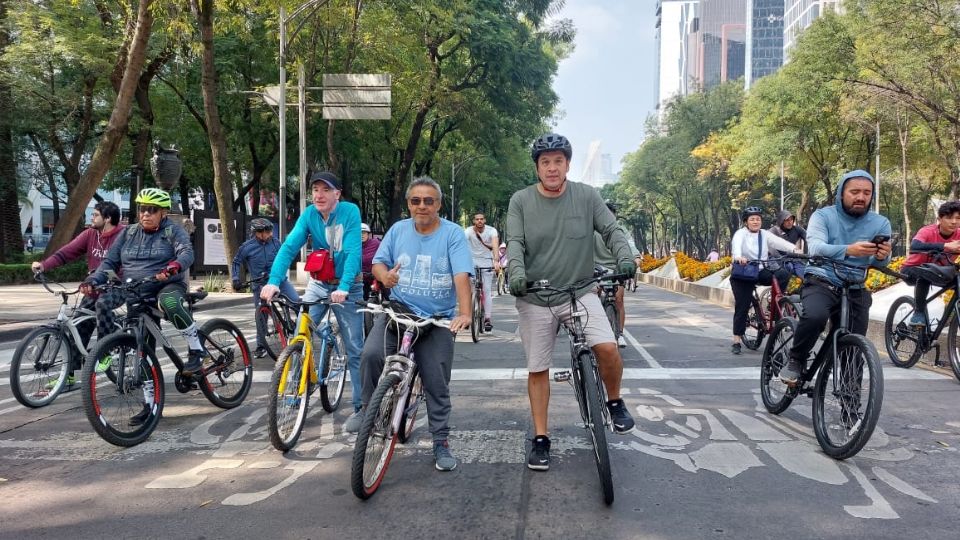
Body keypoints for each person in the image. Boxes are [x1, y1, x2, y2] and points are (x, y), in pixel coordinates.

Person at [507, 133, 637, 472]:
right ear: (537, 167)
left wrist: (624, 257)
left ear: (568, 164)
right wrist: (516, 274)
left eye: (558, 161)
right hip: (535, 296)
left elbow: (611, 231)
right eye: (545, 162)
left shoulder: (587, 196)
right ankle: (541, 438)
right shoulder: (520, 201)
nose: (552, 168)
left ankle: (614, 400)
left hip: (580, 292)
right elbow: (516, 243)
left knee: (608, 347)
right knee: (538, 368)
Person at [357, 176, 473, 471]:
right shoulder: (397, 230)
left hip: (436, 320)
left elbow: (461, 275)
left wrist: (465, 313)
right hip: (398, 312)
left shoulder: (452, 234)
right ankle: (369, 416)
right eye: (415, 201)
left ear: (439, 204)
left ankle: (440, 442)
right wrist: (385, 277)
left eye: (428, 200)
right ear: (409, 204)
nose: (422, 206)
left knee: (436, 380)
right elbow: (378, 264)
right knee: (370, 355)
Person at [260, 171, 365, 426]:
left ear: (337, 194)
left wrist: (344, 286)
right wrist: (274, 281)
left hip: (348, 287)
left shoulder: (350, 212)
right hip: (319, 284)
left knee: (355, 349)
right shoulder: (309, 214)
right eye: (315, 190)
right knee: (301, 333)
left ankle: (362, 407)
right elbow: (289, 247)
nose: (319, 195)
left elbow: (352, 251)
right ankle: (296, 392)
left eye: (325, 190)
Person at [781, 170, 892, 385]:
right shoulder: (823, 216)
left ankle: (851, 402)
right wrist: (848, 250)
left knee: (854, 348)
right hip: (822, 279)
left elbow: (880, 264)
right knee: (815, 317)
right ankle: (796, 359)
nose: (861, 197)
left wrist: (882, 256)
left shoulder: (881, 223)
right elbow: (815, 247)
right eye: (855, 192)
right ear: (842, 193)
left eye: (867, 193)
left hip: (855, 285)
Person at [83, 188, 202, 386]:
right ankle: (150, 405)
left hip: (166, 285)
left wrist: (174, 267)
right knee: (142, 348)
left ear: (163, 212)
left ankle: (196, 349)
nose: (145, 213)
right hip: (136, 291)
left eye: (152, 209)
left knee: (169, 302)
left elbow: (186, 253)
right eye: (142, 209)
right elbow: (109, 262)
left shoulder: (173, 230)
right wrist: (94, 280)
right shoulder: (128, 232)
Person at [32, 202, 124, 387]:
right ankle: (68, 376)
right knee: (78, 326)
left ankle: (104, 352)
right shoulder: (91, 234)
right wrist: (44, 265)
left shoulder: (122, 235)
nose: (92, 218)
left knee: (103, 304)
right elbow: (67, 252)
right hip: (93, 287)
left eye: (96, 215)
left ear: (107, 219)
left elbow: (121, 263)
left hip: (118, 287)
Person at [729, 207, 797, 355]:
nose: (755, 222)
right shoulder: (741, 234)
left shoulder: (764, 234)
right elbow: (736, 247)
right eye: (752, 219)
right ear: (746, 222)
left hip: (759, 271)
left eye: (758, 219)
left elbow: (780, 243)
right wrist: (739, 257)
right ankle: (736, 340)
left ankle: (777, 307)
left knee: (783, 274)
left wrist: (795, 250)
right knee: (742, 306)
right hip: (743, 273)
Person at [231, 218, 299, 358]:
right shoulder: (247, 247)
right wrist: (236, 279)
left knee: (296, 302)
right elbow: (236, 262)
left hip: (280, 282)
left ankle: (302, 331)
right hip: (260, 285)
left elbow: (285, 258)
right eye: (262, 231)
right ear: (255, 232)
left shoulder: (276, 243)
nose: (266, 234)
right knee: (261, 316)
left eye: (268, 231)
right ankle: (261, 346)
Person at [899, 201, 960, 326]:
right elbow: (915, 245)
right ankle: (918, 312)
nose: (954, 222)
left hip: (940, 272)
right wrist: (945, 246)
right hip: (911, 269)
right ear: (939, 219)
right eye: (949, 218)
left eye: (958, 218)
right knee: (925, 274)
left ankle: (951, 316)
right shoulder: (927, 231)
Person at [594, 200, 641, 348]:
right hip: (596, 268)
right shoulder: (592, 230)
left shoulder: (620, 230)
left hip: (616, 268)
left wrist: (636, 260)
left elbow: (632, 249)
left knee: (619, 299)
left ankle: (619, 333)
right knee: (592, 300)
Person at [464, 212, 499, 331]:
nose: (479, 221)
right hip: (471, 261)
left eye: (481, 219)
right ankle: (468, 316)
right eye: (477, 219)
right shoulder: (468, 231)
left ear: (485, 220)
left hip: (487, 261)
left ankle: (487, 319)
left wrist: (496, 261)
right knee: (470, 290)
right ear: (473, 221)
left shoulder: (491, 231)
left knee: (487, 290)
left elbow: (495, 245)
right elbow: (462, 245)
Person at [360, 222, 382, 300]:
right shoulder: (353, 246)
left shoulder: (376, 243)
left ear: (368, 234)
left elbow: (385, 254)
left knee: (386, 293)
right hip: (361, 278)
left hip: (375, 275)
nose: (362, 235)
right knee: (362, 297)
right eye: (359, 233)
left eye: (364, 233)